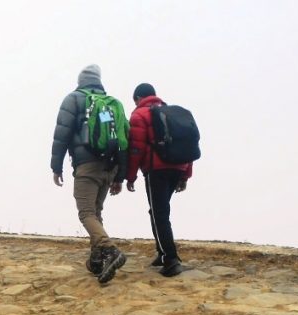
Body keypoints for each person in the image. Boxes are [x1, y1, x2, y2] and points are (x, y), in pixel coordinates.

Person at [50, 64, 129, 284]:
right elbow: (125, 140)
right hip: (109, 166)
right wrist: (119, 176)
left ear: (80, 81)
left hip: (87, 165)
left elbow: (61, 134)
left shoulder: (74, 99)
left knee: (86, 213)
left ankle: (109, 249)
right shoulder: (114, 104)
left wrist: (56, 166)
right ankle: (97, 260)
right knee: (96, 211)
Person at [126, 83, 193, 277]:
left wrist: (130, 176)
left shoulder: (139, 115)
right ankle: (161, 252)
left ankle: (171, 259)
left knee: (159, 213)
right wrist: (185, 174)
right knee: (156, 211)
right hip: (177, 167)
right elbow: (187, 145)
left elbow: (136, 148)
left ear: (137, 98)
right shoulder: (171, 113)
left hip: (156, 169)